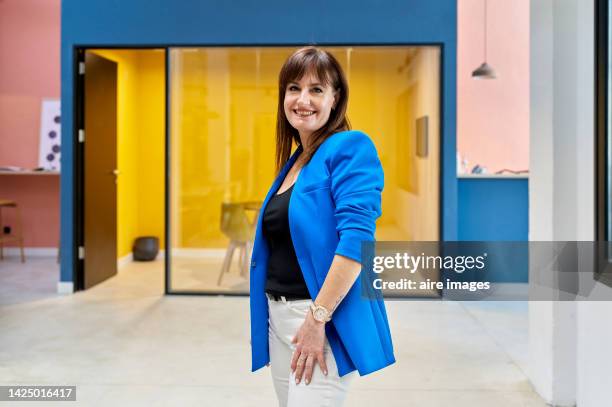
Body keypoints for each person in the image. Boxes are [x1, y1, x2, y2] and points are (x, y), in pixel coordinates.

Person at [249, 46, 395, 407]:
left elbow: (356, 241)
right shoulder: (295, 161)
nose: (303, 99)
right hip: (278, 319)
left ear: (335, 98)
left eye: (317, 89)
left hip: (317, 318)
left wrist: (318, 320)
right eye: (294, 88)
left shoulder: (349, 147)